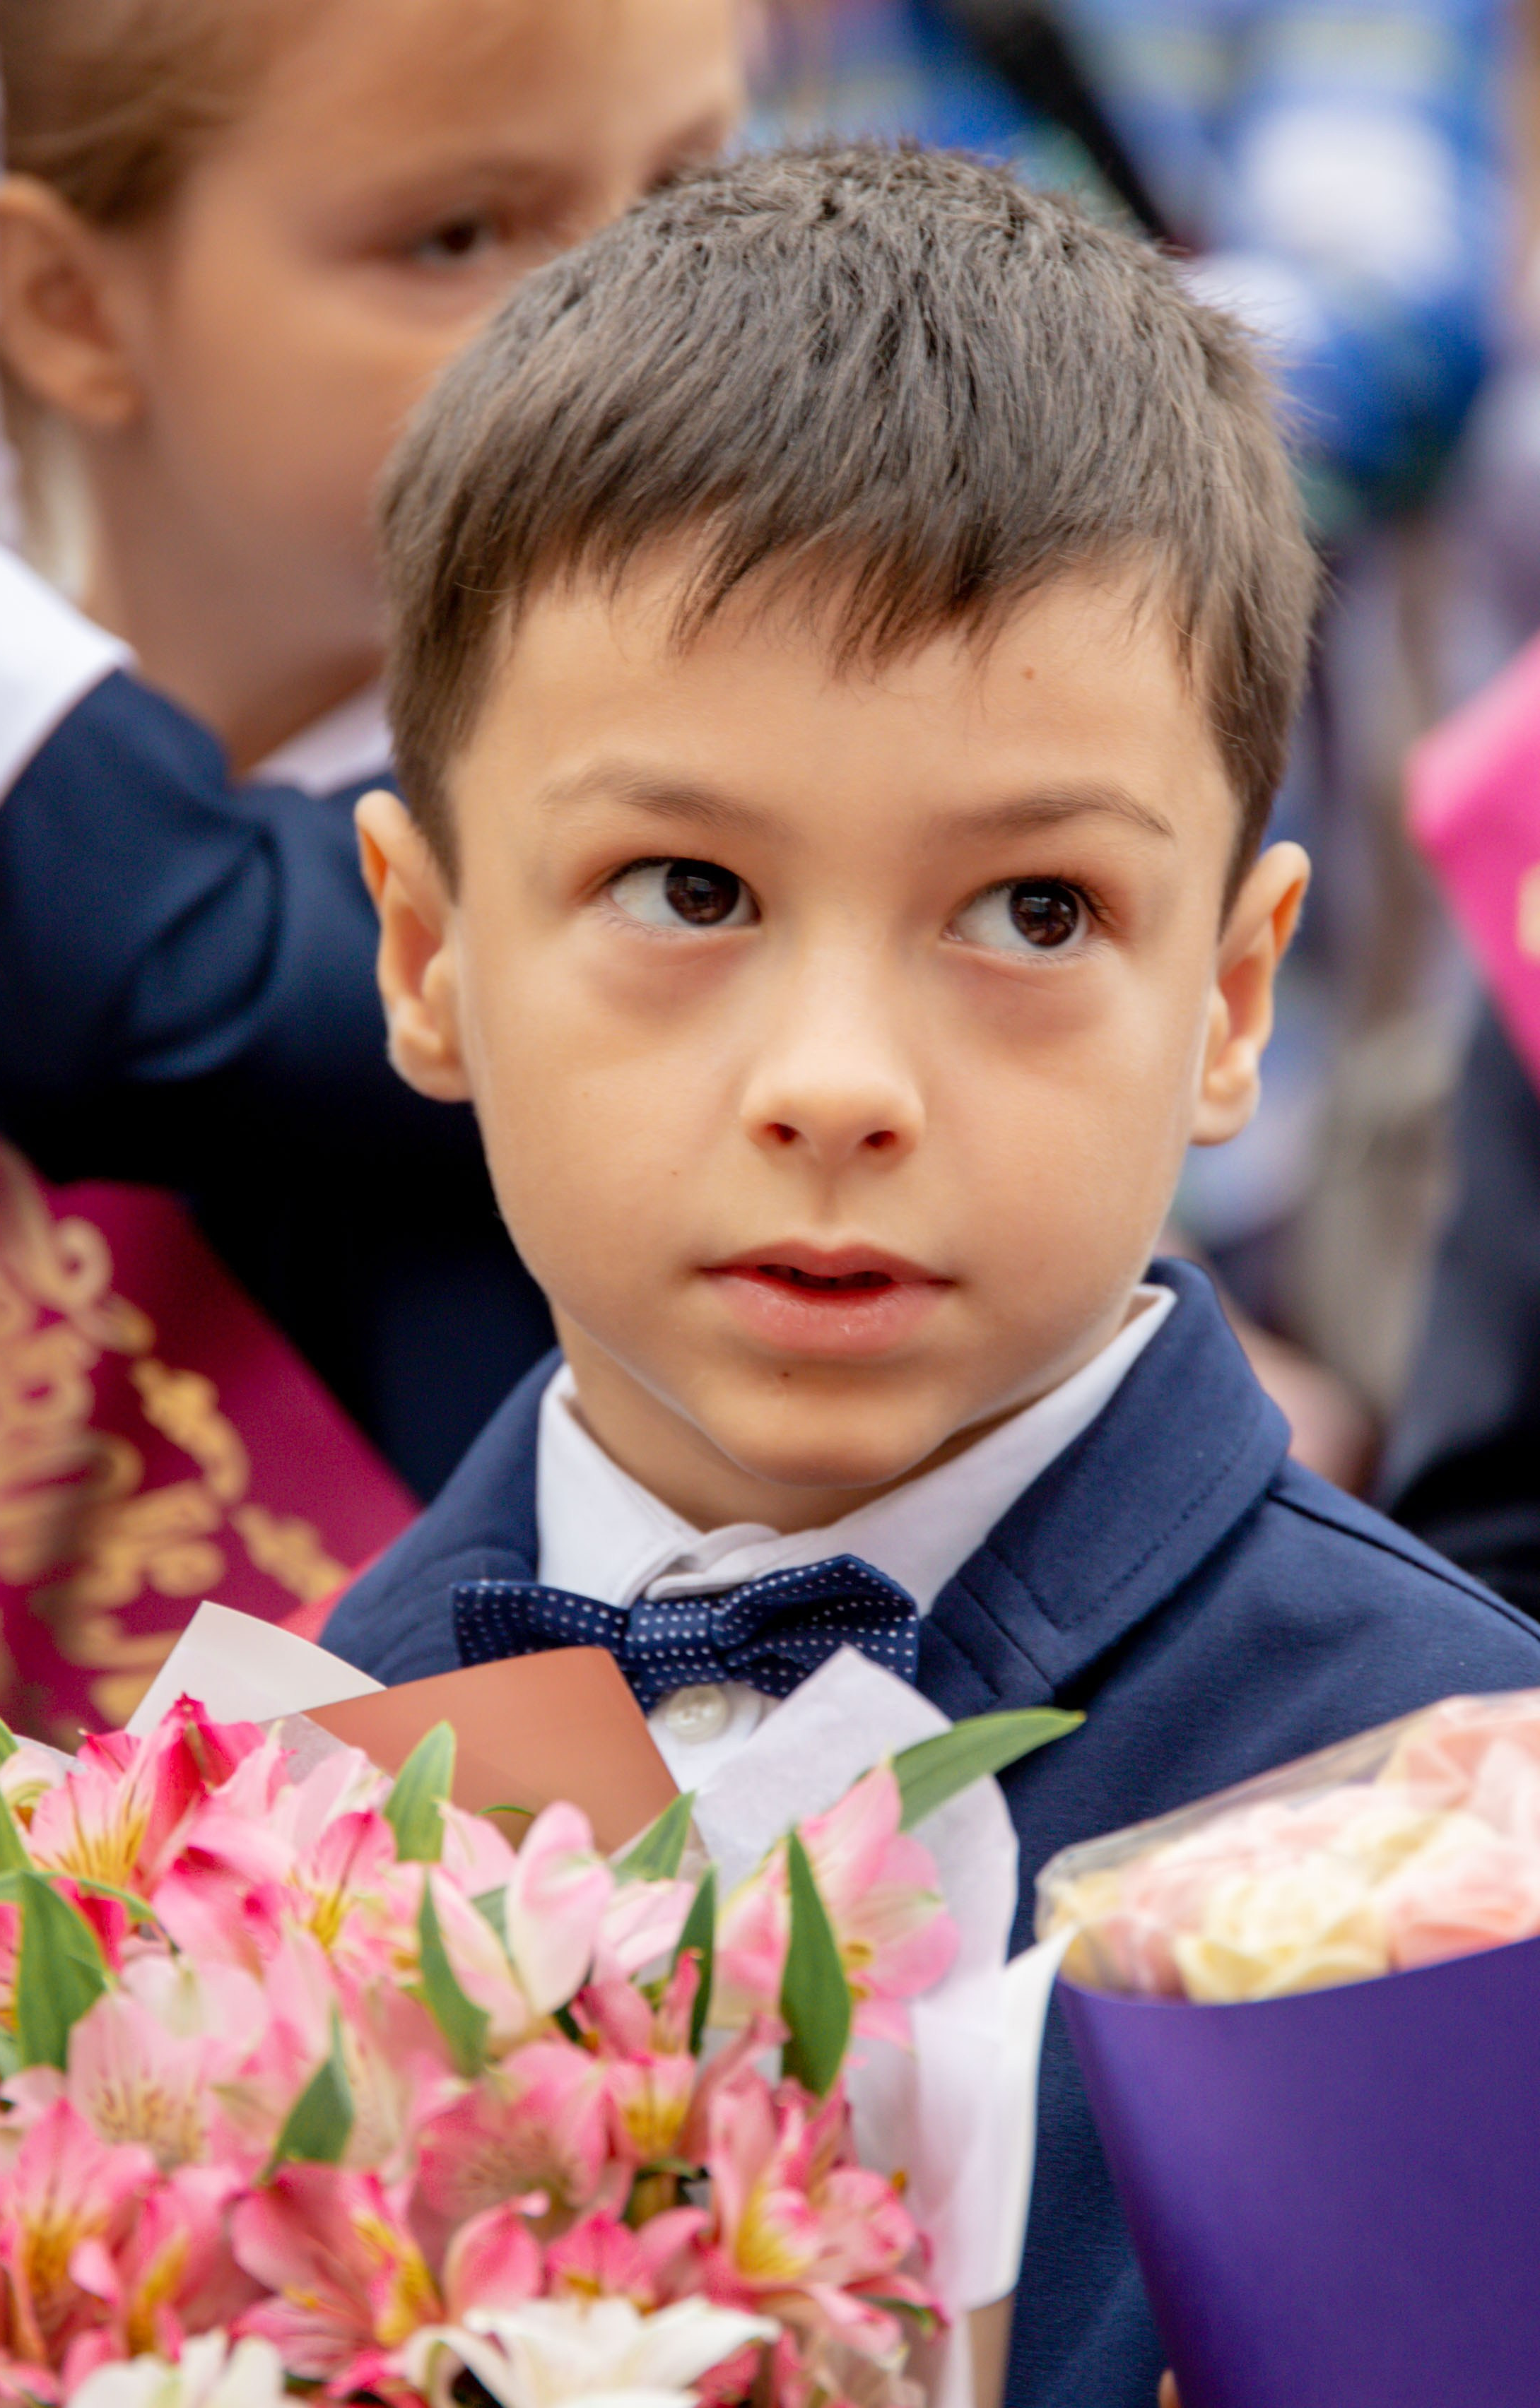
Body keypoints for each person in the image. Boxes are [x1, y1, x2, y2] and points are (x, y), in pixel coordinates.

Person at [315, 146, 1540, 2406]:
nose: (840, 1083)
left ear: (1238, 999)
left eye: (1034, 912)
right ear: (426, 950)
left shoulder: (1449, 1835)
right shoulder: (274, 1806)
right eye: (686, 888)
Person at [0, 0, 743, 1497]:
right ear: (63, 302)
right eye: (455, 236)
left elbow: (169, 960)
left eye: (689, 195)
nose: (639, 318)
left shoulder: (717, 812)